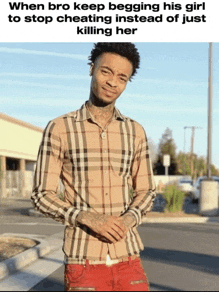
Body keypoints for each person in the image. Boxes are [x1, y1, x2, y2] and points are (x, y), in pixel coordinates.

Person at [31, 42, 156, 291]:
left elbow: (147, 191)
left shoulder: (135, 131)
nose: (112, 82)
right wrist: (88, 218)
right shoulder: (59, 128)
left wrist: (129, 219)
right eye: (106, 71)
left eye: (122, 77)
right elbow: (41, 195)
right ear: (91, 69)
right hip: (83, 261)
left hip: (129, 259)